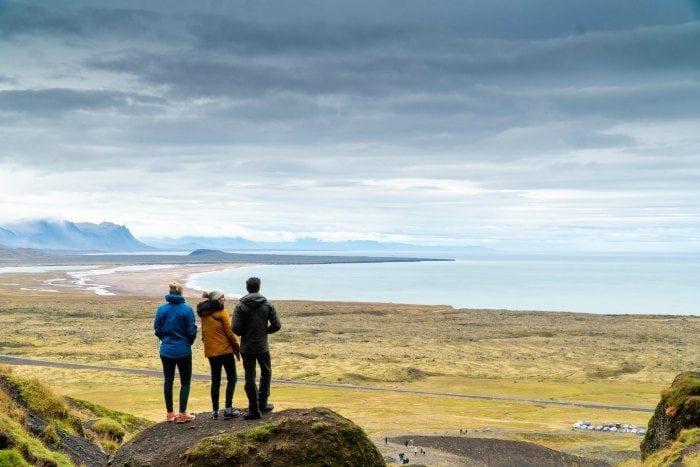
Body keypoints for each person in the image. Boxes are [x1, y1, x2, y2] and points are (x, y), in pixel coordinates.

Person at [232, 277, 281, 420]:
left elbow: (235, 328)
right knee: (266, 373)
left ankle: (254, 409)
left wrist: (244, 333)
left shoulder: (240, 306)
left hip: (247, 347)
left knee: (250, 377)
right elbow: (277, 325)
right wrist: (264, 331)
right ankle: (263, 403)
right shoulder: (267, 304)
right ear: (258, 287)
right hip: (262, 346)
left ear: (247, 288)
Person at [154, 282, 197, 423]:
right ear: (181, 293)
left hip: (166, 350)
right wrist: (187, 342)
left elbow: (157, 329)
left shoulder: (161, 309)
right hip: (183, 350)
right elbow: (191, 331)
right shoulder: (187, 309)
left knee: (168, 380)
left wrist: (165, 340)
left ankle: (170, 413)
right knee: (185, 382)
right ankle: (182, 413)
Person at [197, 289, 242, 420]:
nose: (224, 299)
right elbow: (230, 333)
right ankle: (228, 409)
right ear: (217, 299)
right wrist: (237, 348)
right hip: (225, 351)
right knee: (232, 378)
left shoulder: (204, 314)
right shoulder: (222, 312)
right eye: (222, 297)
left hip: (212, 352)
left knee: (215, 381)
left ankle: (215, 411)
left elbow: (204, 334)